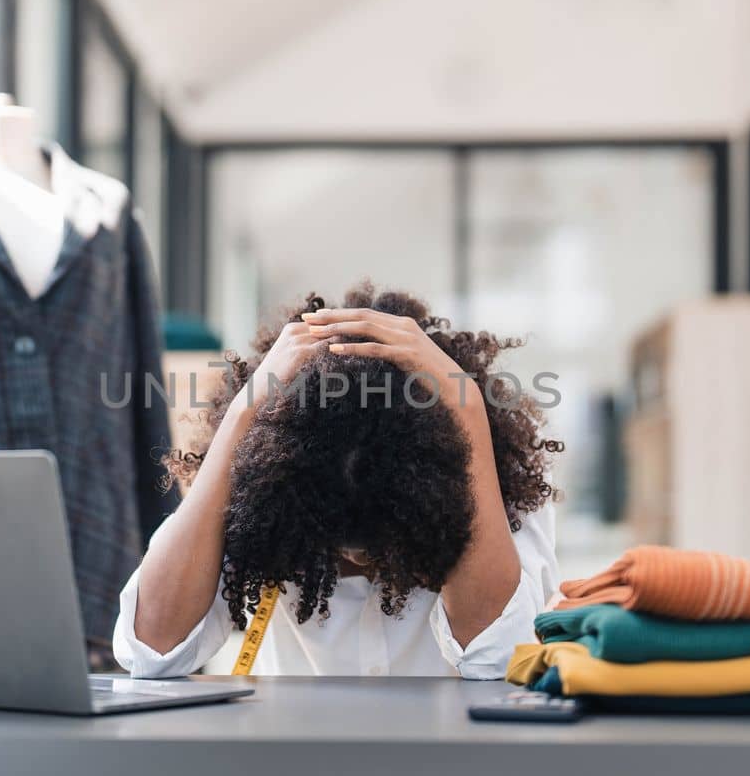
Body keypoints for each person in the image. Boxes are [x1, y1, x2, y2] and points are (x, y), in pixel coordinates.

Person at [113, 284, 562, 678]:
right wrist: (242, 415)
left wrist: (466, 410)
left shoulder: (498, 475)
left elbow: (500, 659)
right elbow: (152, 651)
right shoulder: (263, 486)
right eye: (336, 545)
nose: (358, 563)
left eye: (386, 544)